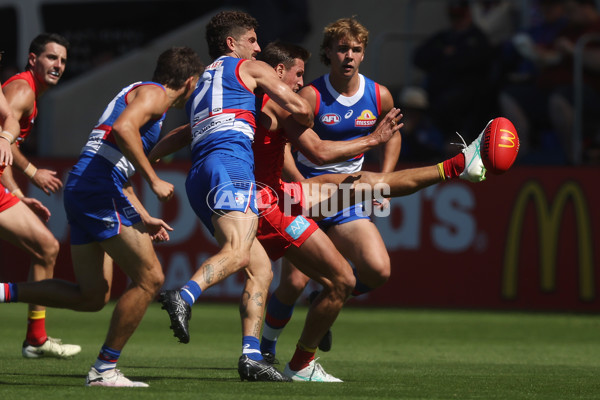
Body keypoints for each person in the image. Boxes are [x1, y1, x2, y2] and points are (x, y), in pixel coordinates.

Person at [1, 46, 204, 387]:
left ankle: (4, 291)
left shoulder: (139, 91)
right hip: (96, 188)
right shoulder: (155, 96)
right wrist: (154, 180)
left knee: (92, 295)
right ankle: (104, 370)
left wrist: (143, 216)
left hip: (86, 186)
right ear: (190, 82)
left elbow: (115, 163)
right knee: (151, 279)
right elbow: (124, 130)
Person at [155, 11, 312, 382]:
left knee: (259, 268)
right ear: (233, 43)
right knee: (239, 251)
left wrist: (146, 162)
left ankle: (250, 356)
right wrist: (293, 98)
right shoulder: (252, 69)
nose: (259, 48)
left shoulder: (202, 82)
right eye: (253, 40)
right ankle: (185, 295)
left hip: (199, 175)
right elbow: (303, 110)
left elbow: (183, 133)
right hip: (232, 164)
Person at [261, 16, 401, 364]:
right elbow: (283, 144)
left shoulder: (378, 94)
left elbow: (393, 133)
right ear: (328, 53)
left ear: (364, 54)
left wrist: (383, 178)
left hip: (349, 196)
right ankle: (266, 347)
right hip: (306, 196)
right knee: (292, 283)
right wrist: (299, 183)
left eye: (356, 49)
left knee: (377, 271)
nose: (349, 55)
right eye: (341, 49)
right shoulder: (311, 94)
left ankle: (325, 299)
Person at [0, 33, 81, 359]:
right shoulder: (21, 90)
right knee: (46, 247)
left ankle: (36, 338)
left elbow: (5, 149)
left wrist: (17, 192)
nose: (58, 65)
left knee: (46, 247)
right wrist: (33, 173)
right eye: (51, 58)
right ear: (33, 60)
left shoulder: (27, 92)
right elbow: (7, 133)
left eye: (62, 60)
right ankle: (35, 338)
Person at [413, 0, 494, 142]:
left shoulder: (477, 37)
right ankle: (418, 143)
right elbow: (418, 57)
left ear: (468, 15)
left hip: (465, 89)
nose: (457, 21)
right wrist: (442, 53)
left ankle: (455, 141)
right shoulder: (444, 37)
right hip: (436, 87)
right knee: (409, 100)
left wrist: (450, 57)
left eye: (460, 16)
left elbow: (475, 62)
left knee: (448, 103)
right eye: (453, 16)